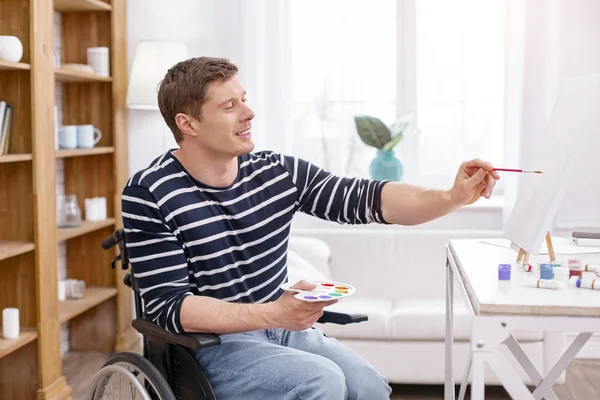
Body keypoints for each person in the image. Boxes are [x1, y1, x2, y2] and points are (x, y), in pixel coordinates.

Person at [121, 56, 499, 400]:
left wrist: (451, 197)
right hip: (209, 347)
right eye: (229, 106)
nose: (249, 113)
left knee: (367, 385)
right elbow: (170, 306)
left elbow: (369, 198)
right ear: (187, 124)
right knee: (319, 380)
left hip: (281, 331)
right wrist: (275, 313)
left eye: (245, 99)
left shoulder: (276, 172)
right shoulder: (150, 193)